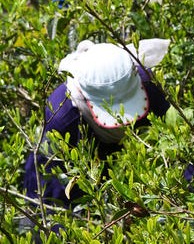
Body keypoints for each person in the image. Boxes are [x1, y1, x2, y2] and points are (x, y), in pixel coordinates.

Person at [22, 39, 171, 236]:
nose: (122, 121)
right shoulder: (62, 119)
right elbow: (53, 202)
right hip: (77, 158)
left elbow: (174, 145)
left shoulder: (148, 88)